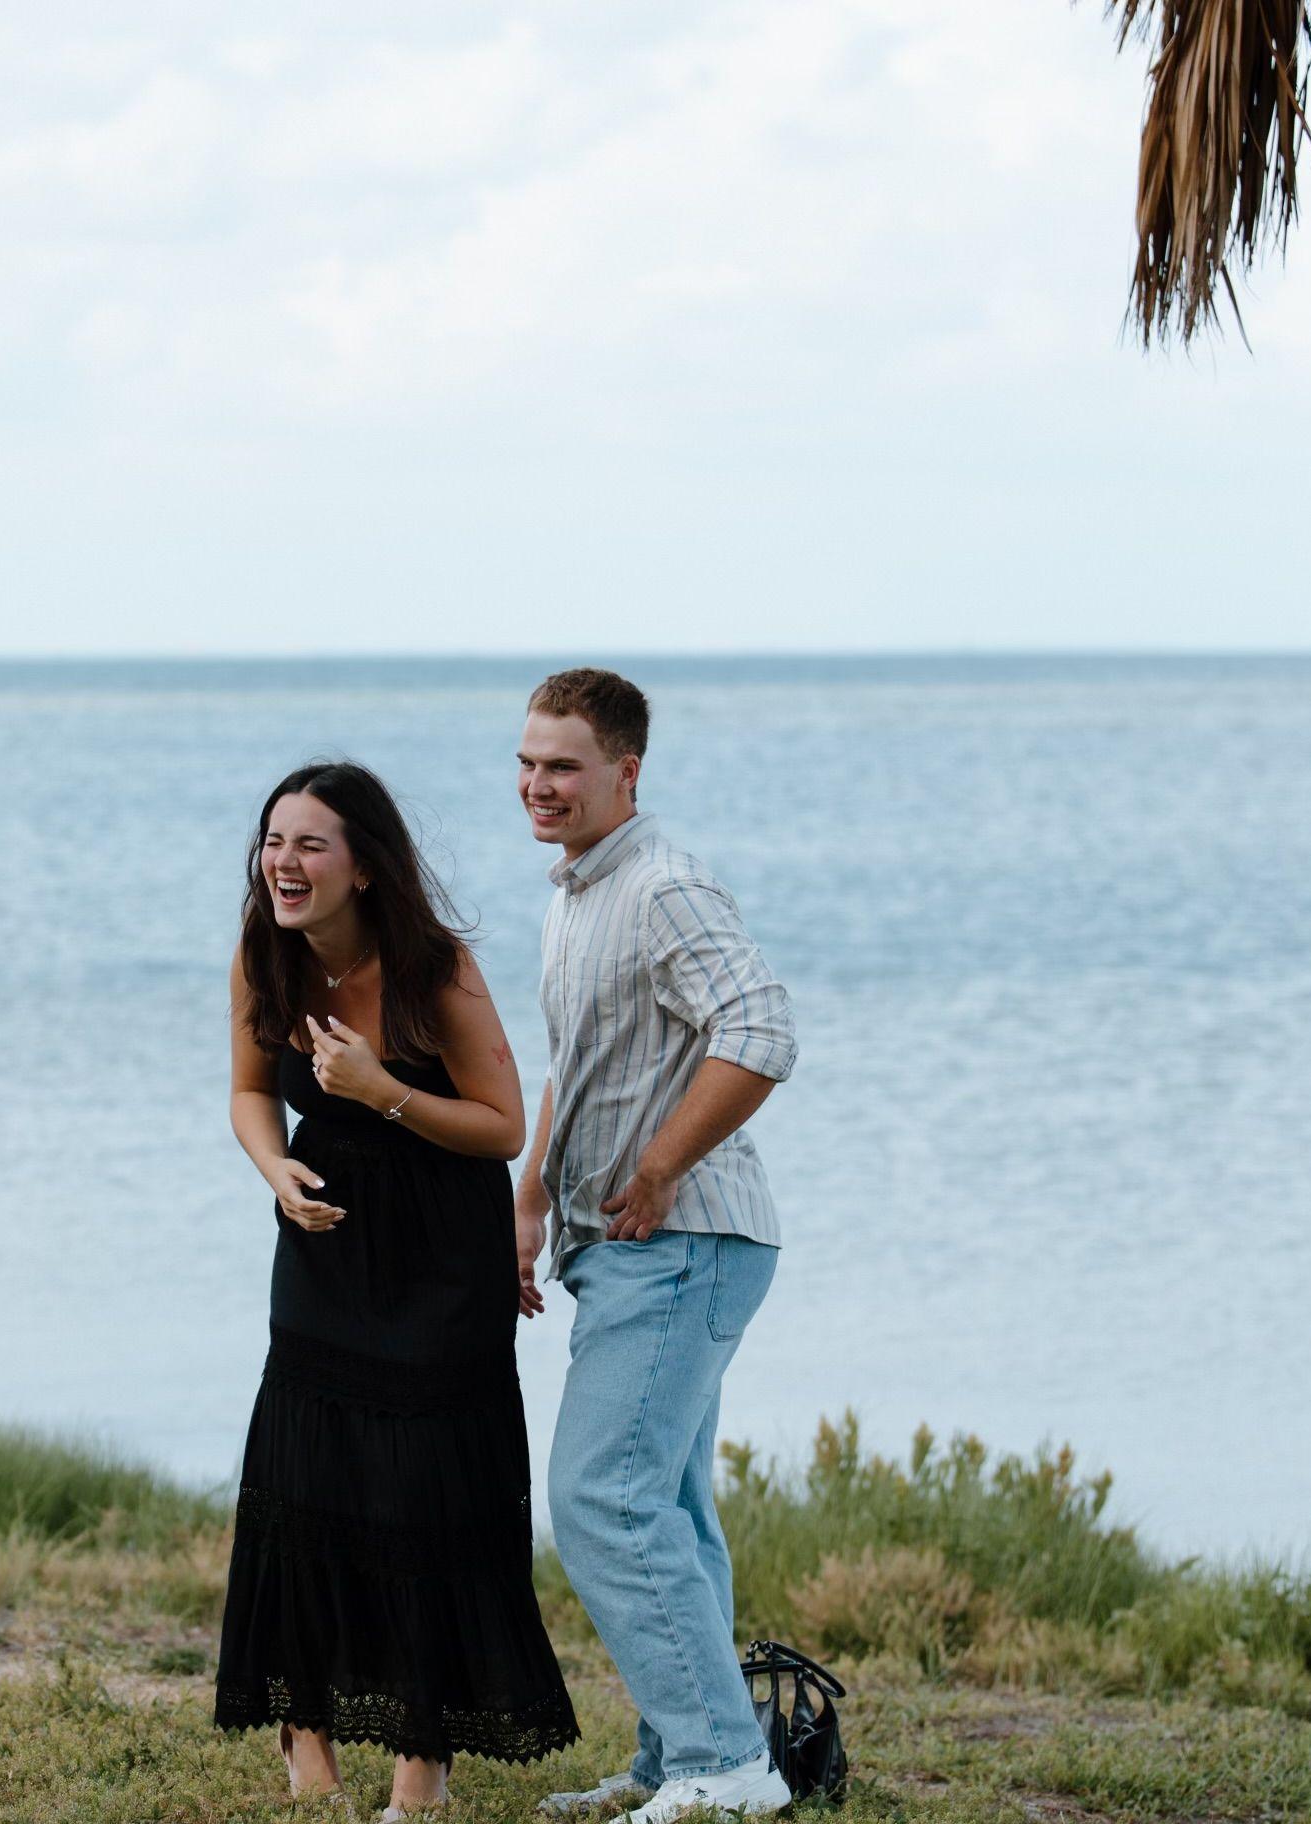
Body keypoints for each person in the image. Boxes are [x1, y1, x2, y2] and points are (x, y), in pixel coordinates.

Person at [213, 760, 579, 1820]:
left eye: (310, 844)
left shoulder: (435, 967)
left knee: (427, 1499)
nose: (284, 862)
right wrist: (275, 1168)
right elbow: (249, 1090)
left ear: (364, 867)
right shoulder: (263, 955)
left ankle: (425, 1759)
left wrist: (382, 1093)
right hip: (324, 1248)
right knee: (306, 1487)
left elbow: (503, 1127)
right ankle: (306, 1740)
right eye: (274, 841)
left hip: (443, 1259)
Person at [515, 671, 798, 1824]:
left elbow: (763, 1029)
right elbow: (579, 1064)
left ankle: (728, 1770)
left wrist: (664, 1161)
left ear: (626, 771)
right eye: (527, 763)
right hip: (632, 1246)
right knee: (665, 1508)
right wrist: (532, 1197)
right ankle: (679, 1763)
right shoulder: (577, 894)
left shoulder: (663, 887)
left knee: (601, 1497)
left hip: (685, 1240)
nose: (538, 785)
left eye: (563, 766)